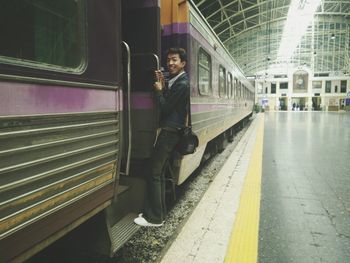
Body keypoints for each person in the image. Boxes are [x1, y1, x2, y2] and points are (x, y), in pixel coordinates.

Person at [134, 48, 190, 227]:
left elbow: (166, 109)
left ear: (183, 63)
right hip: (171, 130)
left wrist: (159, 91)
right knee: (158, 170)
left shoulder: (182, 83)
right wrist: (163, 85)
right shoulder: (176, 80)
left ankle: (155, 218)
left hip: (170, 131)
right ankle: (154, 212)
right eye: (168, 60)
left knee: (154, 172)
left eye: (174, 60)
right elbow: (170, 102)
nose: (170, 63)